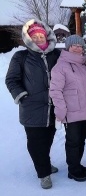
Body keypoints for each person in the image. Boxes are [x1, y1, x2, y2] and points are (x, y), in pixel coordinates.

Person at [5, 19, 61, 189]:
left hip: (53, 107)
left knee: (49, 138)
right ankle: (44, 173)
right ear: (28, 38)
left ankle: (44, 162)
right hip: (31, 107)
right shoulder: (21, 56)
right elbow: (11, 79)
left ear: (46, 36)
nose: (38, 39)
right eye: (34, 36)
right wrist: (22, 96)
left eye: (40, 35)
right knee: (35, 143)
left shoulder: (56, 54)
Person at [49, 35, 86, 182]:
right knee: (73, 141)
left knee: (82, 139)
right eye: (74, 46)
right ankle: (73, 170)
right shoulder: (61, 66)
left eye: (80, 46)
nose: (77, 48)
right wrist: (61, 111)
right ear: (68, 47)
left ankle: (77, 164)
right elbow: (55, 91)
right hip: (71, 111)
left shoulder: (85, 64)